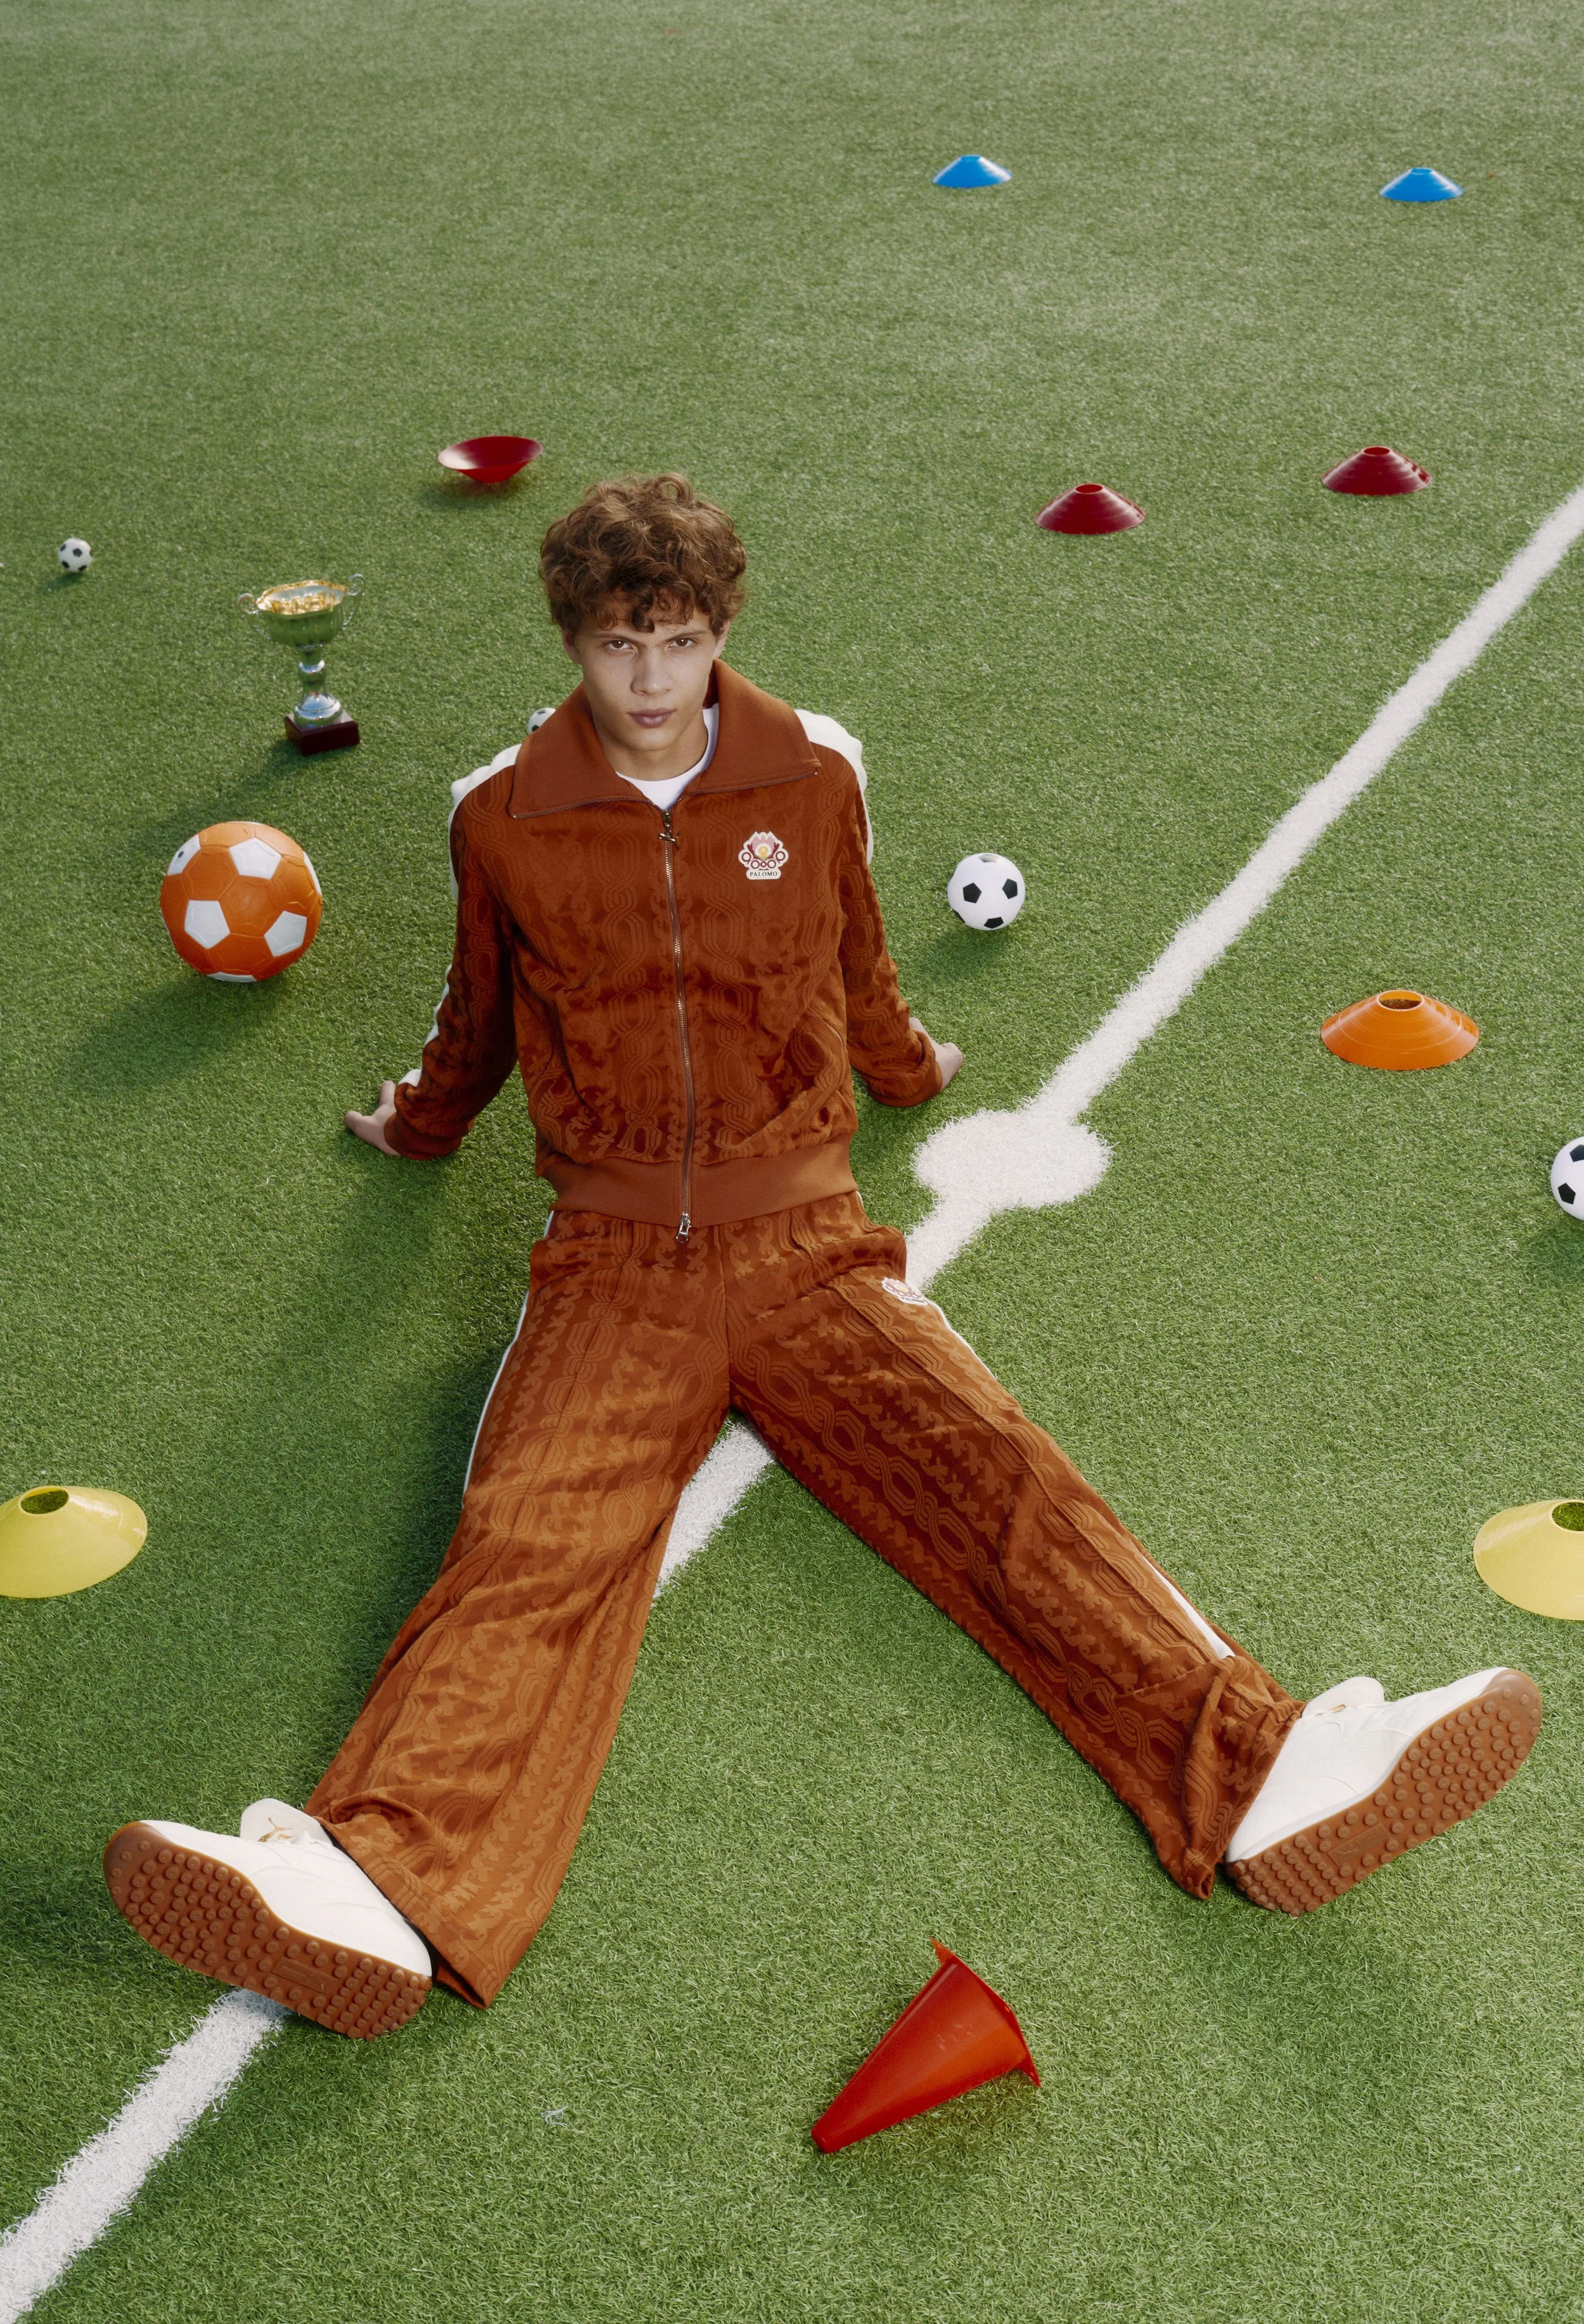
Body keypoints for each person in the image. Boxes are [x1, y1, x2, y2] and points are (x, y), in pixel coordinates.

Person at [104, 475, 1541, 2040]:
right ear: (572, 642)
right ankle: (374, 1882)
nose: (650, 681)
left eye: (680, 640)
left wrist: (908, 1059)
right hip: (609, 1259)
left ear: (719, 631)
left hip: (801, 1236)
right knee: (527, 1540)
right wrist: (422, 1122)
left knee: (999, 1476)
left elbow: (853, 953)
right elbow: (481, 1008)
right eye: (616, 646)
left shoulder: (816, 770)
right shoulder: (497, 810)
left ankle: (1260, 1777)